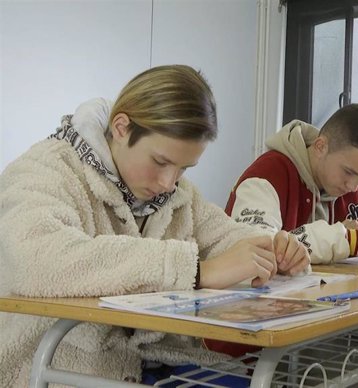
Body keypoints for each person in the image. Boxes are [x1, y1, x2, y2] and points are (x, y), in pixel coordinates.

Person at [0, 65, 309, 386]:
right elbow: (37, 261)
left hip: (145, 364)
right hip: (49, 369)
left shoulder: (177, 194)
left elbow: (224, 236)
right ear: (121, 127)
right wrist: (196, 272)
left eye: (183, 168)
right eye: (160, 162)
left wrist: (271, 248)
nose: (167, 182)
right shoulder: (42, 170)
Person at [226, 103, 358, 265]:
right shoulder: (266, 176)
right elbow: (258, 249)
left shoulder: (348, 184)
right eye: (349, 172)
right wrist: (348, 240)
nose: (353, 186)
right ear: (320, 146)